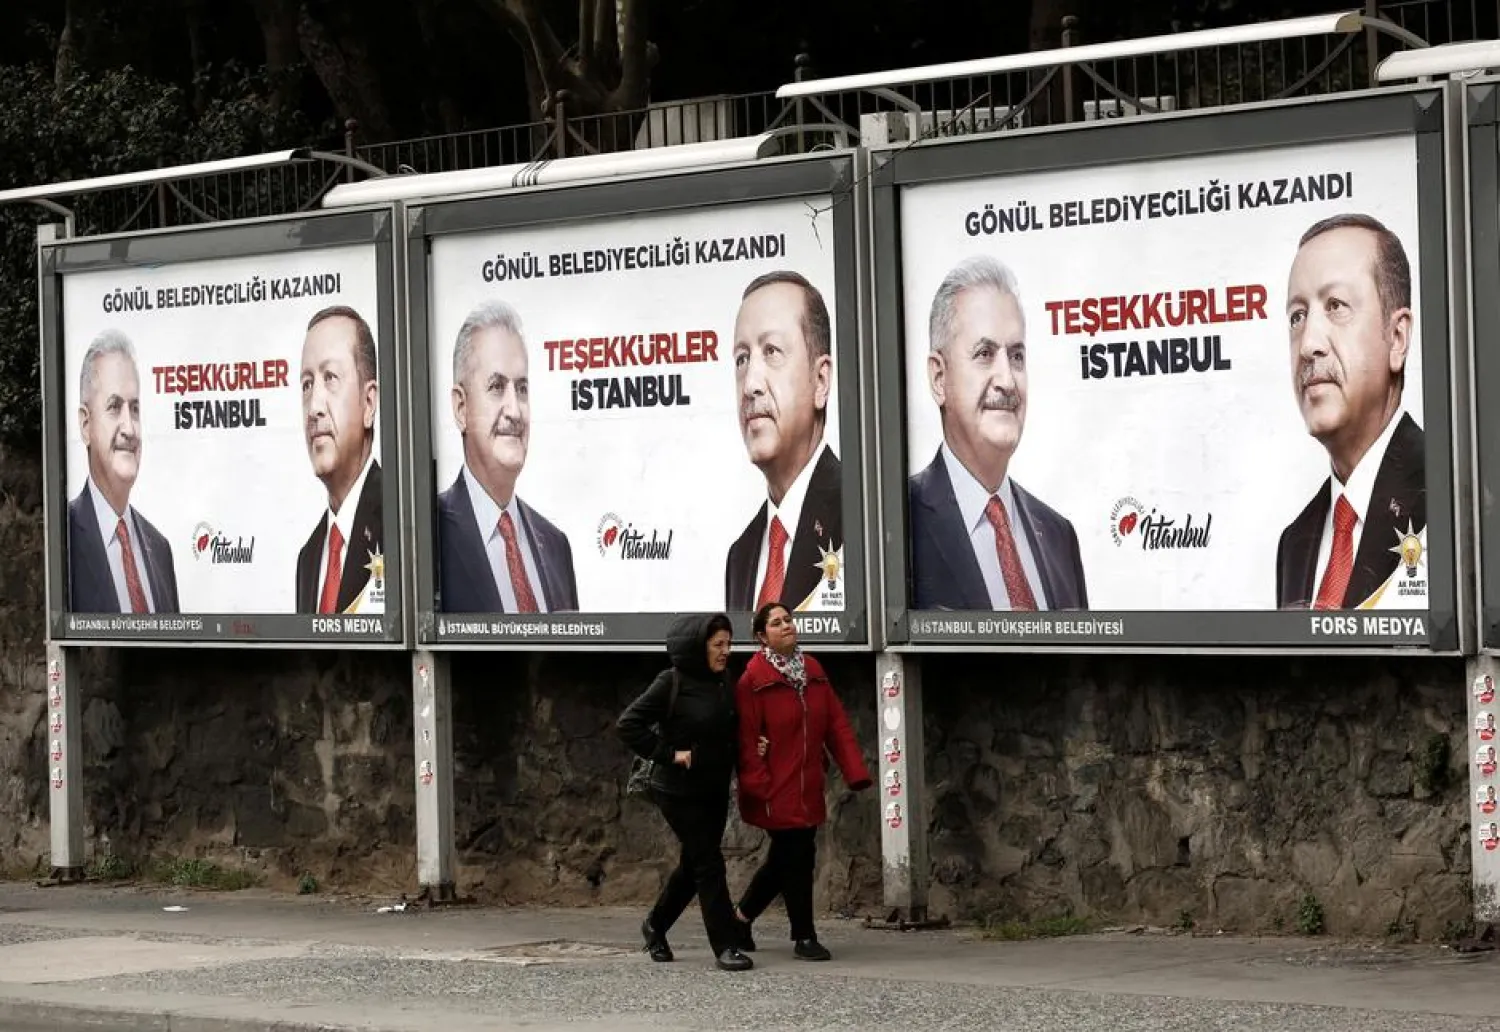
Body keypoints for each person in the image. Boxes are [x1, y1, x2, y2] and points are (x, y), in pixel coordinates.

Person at [908, 255, 1088, 612]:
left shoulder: (1058, 535)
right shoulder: (900, 523)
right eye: (985, 354)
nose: (1007, 380)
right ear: (939, 378)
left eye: (1017, 356)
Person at [1276, 213, 1425, 610]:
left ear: (1397, 337)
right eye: (1297, 316)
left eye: (1336, 306)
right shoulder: (1296, 541)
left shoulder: (1455, 505)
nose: (1309, 344)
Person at [732, 600, 872, 961]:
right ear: (763, 636)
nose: (786, 626)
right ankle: (804, 935)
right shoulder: (752, 681)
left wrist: (854, 770)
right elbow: (746, 740)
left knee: (787, 857)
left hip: (808, 782)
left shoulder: (812, 669)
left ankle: (741, 918)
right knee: (797, 856)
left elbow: (836, 725)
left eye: (788, 619)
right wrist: (756, 784)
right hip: (774, 786)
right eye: (776, 623)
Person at [617, 612, 753, 972]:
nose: (726, 651)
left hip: (713, 787)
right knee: (709, 863)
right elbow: (628, 724)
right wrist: (669, 753)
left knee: (694, 865)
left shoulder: (724, 680)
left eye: (729, 643)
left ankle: (655, 925)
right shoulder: (670, 681)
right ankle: (725, 944)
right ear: (698, 647)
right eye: (718, 645)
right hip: (677, 791)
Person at [438, 299, 578, 614]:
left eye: (523, 388)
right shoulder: (430, 534)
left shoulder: (556, 546)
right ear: (461, 408)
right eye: (497, 387)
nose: (514, 411)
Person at [725, 271, 844, 613]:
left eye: (772, 351)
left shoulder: (861, 517)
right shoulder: (741, 554)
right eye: (742, 359)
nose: (750, 385)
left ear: (821, 381)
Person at [68, 329, 180, 614]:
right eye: (114, 407)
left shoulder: (160, 550)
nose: (129, 428)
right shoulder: (62, 539)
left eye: (135, 408)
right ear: (85, 425)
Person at [295, 305, 385, 615]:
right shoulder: (309, 559)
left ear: (369, 402)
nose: (314, 407)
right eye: (307, 384)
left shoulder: (404, 524)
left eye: (330, 378)